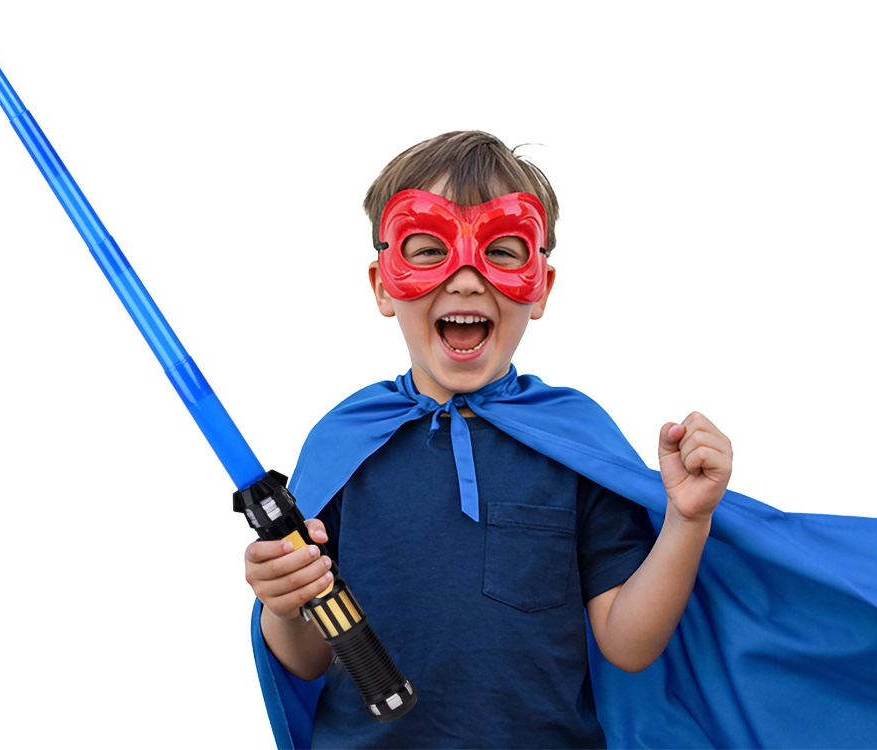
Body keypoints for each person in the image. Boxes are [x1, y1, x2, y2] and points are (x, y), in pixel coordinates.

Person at [244, 131, 877, 749]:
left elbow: (628, 644)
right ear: (384, 284)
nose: (466, 279)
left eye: (502, 251)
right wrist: (281, 603)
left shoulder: (573, 441)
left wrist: (687, 520)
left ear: (541, 287)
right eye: (430, 249)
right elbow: (306, 658)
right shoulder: (345, 443)